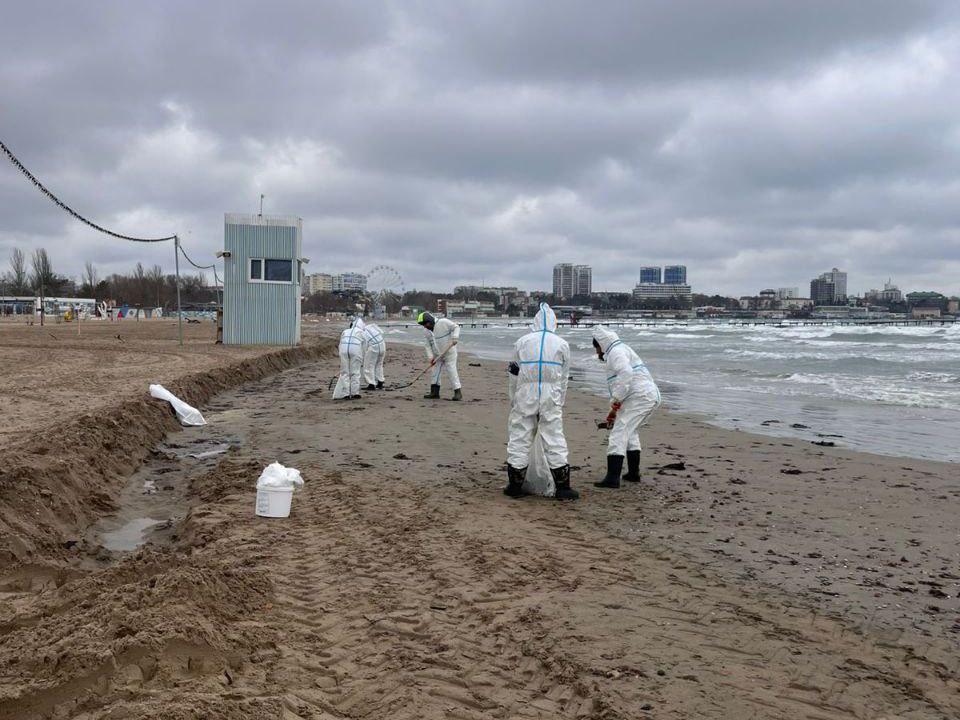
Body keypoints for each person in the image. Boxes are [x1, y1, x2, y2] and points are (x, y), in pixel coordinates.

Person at [505, 303, 578, 501]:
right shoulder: (562, 344)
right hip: (551, 393)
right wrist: (560, 401)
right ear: (554, 322)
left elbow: (513, 372)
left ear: (535, 321)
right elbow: (564, 377)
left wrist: (514, 398)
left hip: (525, 392)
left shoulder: (522, 342)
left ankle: (515, 485)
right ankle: (563, 486)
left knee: (520, 435)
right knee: (553, 436)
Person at [591, 326, 661, 488]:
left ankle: (612, 478)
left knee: (619, 432)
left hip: (640, 396)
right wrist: (614, 409)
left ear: (602, 344)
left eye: (597, 348)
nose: (597, 352)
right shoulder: (622, 349)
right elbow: (626, 381)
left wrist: (616, 400)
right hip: (645, 395)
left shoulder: (615, 352)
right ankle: (633, 473)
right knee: (630, 431)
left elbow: (626, 374)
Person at [417, 311, 462, 400]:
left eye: (426, 324)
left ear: (430, 320)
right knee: (435, 372)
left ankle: (458, 392)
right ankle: (434, 392)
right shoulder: (426, 331)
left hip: (449, 353)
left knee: (451, 371)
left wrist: (455, 337)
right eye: (423, 325)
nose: (425, 326)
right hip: (437, 355)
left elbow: (456, 327)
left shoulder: (443, 322)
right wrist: (431, 357)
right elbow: (427, 345)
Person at [332, 317, 366, 400]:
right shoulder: (362, 333)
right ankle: (355, 393)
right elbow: (365, 346)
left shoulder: (345, 331)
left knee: (345, 372)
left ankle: (345, 393)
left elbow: (340, 343)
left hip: (343, 350)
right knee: (355, 372)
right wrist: (362, 357)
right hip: (355, 350)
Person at [361, 322, 387, 390]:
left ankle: (371, 384)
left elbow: (364, 346)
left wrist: (362, 357)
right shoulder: (371, 327)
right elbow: (381, 332)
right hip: (382, 345)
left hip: (373, 347)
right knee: (379, 364)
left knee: (369, 365)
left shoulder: (361, 333)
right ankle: (380, 381)